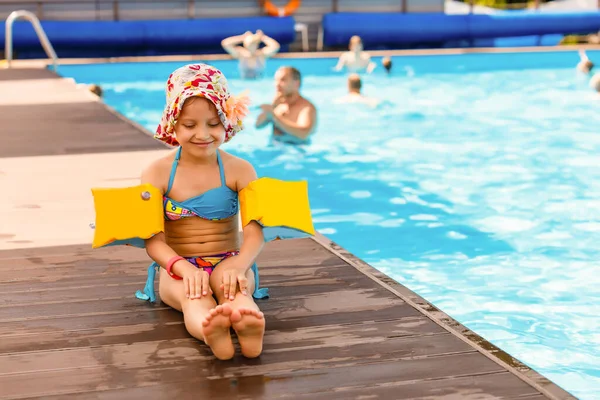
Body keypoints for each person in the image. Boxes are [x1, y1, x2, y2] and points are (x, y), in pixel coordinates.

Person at [144, 64, 267, 360]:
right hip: (178, 266)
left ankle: (248, 322)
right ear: (173, 123)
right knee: (194, 297)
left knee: (235, 290)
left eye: (213, 124)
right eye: (190, 125)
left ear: (226, 121)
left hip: (229, 260)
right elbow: (153, 240)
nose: (203, 134)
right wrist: (184, 269)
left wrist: (241, 265)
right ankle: (210, 330)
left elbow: (255, 231)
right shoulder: (158, 173)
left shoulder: (239, 169)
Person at [256, 66, 317, 144]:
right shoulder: (278, 105)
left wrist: (274, 117)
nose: (277, 84)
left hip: (297, 150)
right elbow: (258, 125)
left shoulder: (306, 108)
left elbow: (303, 134)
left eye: (283, 80)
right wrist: (272, 107)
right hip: (275, 148)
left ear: (296, 83)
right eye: (276, 80)